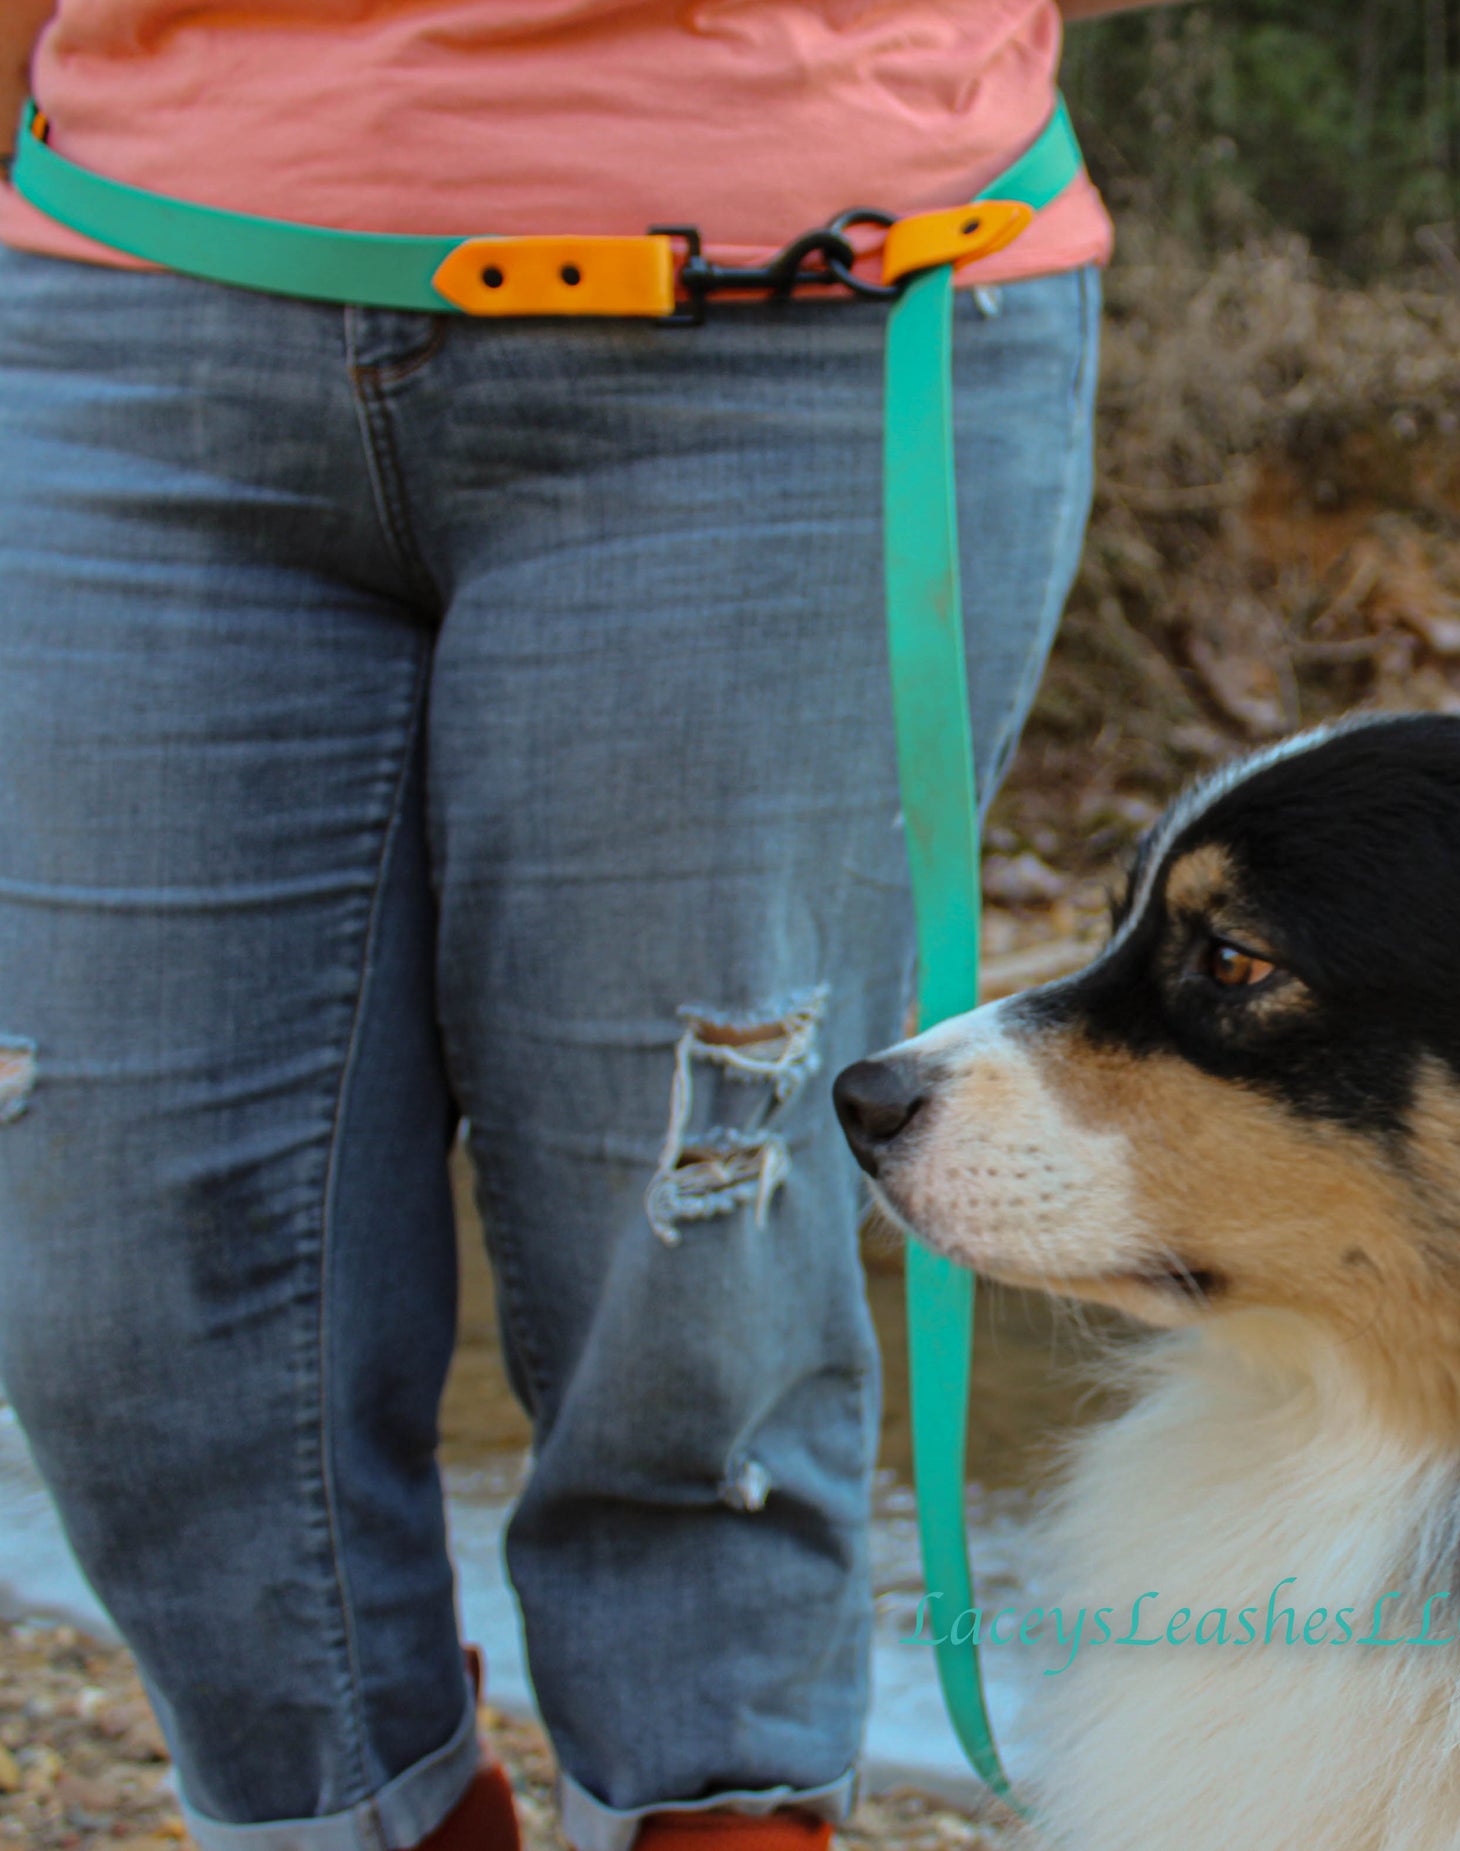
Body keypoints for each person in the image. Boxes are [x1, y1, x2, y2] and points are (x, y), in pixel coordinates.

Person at [0, 4, 1178, 1848]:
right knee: (125, 1281)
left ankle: (720, 1809)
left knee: (694, 1252)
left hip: (788, 332)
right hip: (137, 305)